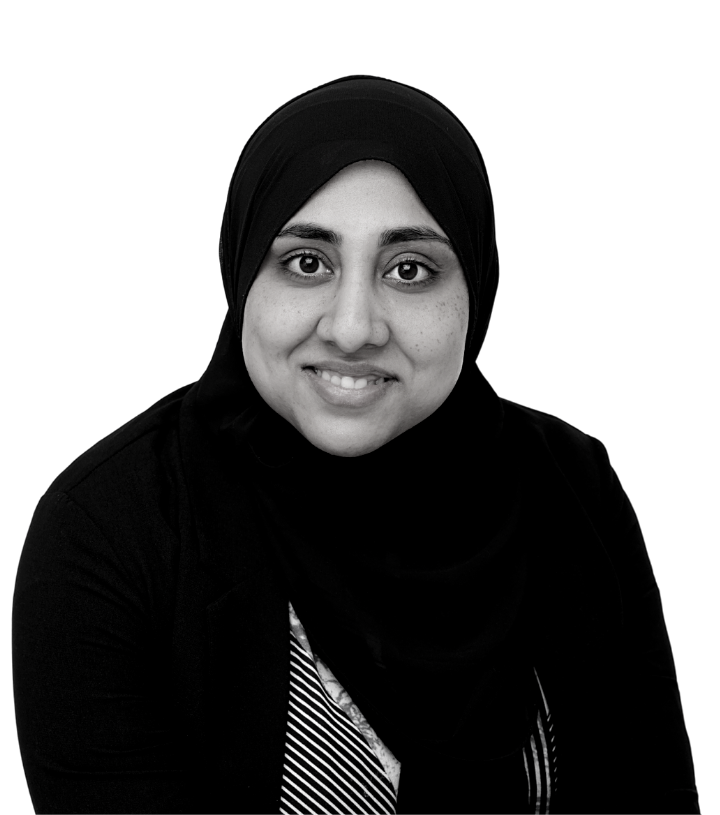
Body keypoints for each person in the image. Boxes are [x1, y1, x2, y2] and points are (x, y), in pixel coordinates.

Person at [12, 75, 701, 813]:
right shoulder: (110, 527)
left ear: (476, 287)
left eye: (410, 270)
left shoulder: (572, 483)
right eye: (307, 262)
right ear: (242, 274)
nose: (352, 328)